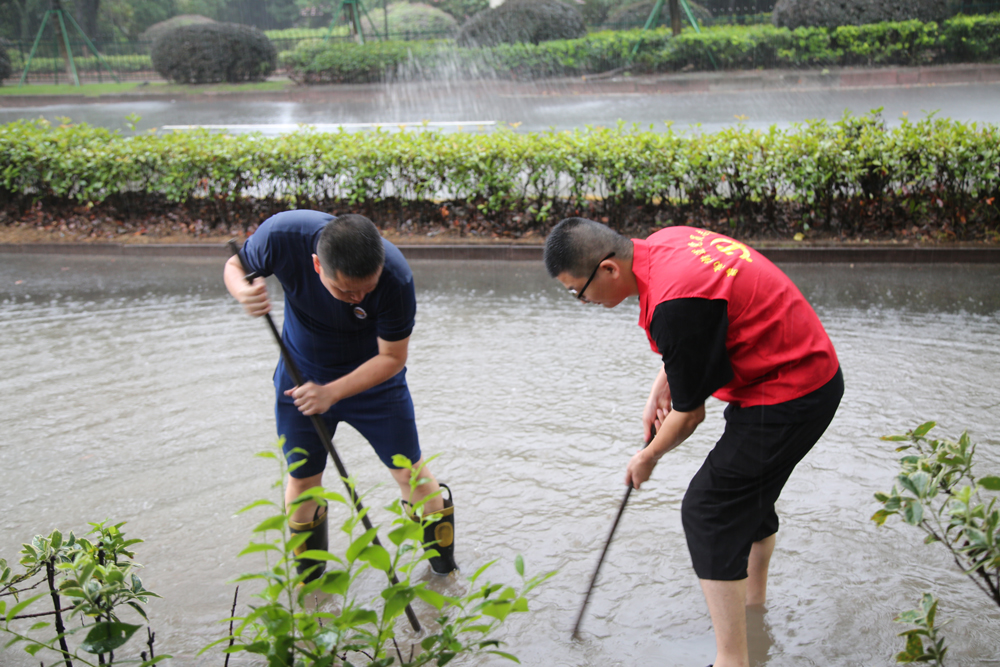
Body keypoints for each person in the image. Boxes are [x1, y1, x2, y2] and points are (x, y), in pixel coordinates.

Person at [544, 219, 843, 667]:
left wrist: (647, 457)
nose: (583, 302)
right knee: (746, 496)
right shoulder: (665, 244)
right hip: (790, 369)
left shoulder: (673, 306)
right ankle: (753, 611)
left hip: (792, 390)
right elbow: (701, 326)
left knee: (710, 509)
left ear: (608, 269)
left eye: (578, 292)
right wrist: (662, 383)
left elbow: (689, 415)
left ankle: (732, 659)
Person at [224, 210, 457, 579]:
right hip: (301, 379)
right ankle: (311, 585)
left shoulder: (395, 277)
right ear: (317, 265)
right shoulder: (282, 236)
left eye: (367, 289)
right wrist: (242, 291)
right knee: (303, 479)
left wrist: (332, 393)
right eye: (346, 291)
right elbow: (235, 266)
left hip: (376, 381)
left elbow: (393, 358)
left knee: (409, 472)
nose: (358, 298)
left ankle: (444, 574)